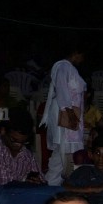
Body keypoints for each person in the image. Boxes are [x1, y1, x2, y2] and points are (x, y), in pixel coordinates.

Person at [41, 46, 87, 186]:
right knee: (62, 150)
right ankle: (51, 184)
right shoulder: (63, 67)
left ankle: (55, 182)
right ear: (75, 53)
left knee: (64, 153)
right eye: (81, 56)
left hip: (69, 112)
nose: (82, 60)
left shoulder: (69, 68)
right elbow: (62, 90)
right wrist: (69, 113)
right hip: (65, 113)